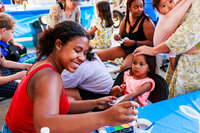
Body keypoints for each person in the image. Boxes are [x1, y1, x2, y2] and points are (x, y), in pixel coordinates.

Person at [3, 21, 139, 133]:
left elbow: (63, 105)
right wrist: (104, 117)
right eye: (77, 51)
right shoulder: (49, 76)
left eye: (85, 53)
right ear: (58, 45)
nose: (82, 58)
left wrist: (96, 103)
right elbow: (45, 125)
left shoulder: (45, 65)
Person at [133, 0, 200, 98]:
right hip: (180, 58)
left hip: (189, 64)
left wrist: (154, 50)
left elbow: (187, 35)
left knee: (182, 105)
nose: (169, 6)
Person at [97, 0, 155, 71]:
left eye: (141, 6)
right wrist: (117, 37)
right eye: (136, 7)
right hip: (125, 48)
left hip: (138, 51)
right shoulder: (126, 19)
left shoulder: (147, 21)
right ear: (129, 7)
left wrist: (134, 42)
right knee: (98, 56)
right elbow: (120, 35)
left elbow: (152, 43)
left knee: (124, 67)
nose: (140, 9)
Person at [152, 0, 192, 74]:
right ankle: (173, 68)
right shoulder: (165, 15)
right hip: (163, 51)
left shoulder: (175, 10)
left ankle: (173, 68)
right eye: (164, 6)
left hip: (169, 47)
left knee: (172, 53)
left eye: (170, 1)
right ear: (158, 11)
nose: (169, 6)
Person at [0, 13, 31, 98]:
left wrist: (25, 65)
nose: (12, 35)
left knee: (29, 73)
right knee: (28, 87)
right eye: (12, 32)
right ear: (3, 30)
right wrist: (16, 76)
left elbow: (4, 63)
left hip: (3, 73)